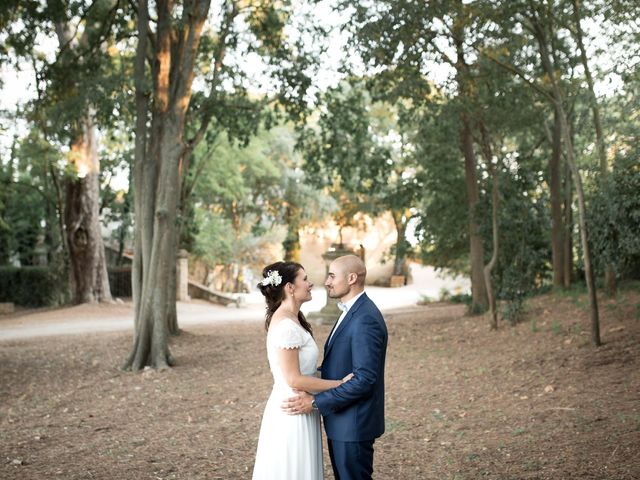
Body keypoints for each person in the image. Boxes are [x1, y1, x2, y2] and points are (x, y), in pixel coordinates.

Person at [282, 254, 388, 480]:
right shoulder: (351, 311)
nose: (326, 282)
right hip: (343, 421)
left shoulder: (364, 318)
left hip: (354, 423)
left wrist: (315, 402)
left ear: (351, 278)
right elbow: (341, 367)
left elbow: (365, 379)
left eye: (331, 276)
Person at [252, 261, 352, 480]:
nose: (310, 283)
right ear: (289, 287)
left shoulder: (292, 319)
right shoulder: (286, 326)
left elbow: (304, 372)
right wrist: (340, 384)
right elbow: (294, 379)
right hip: (292, 409)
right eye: (304, 279)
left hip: (302, 405)